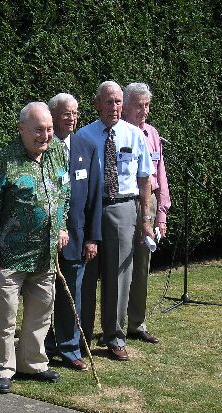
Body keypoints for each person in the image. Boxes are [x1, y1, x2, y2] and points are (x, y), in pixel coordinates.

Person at [0, 102, 70, 394]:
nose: (45, 136)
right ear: (22, 130)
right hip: (9, 255)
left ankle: (33, 363)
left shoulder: (56, 153)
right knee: (4, 317)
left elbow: (63, 191)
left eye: (50, 129)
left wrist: (62, 225)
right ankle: (0, 369)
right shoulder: (4, 161)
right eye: (39, 130)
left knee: (41, 312)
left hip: (45, 253)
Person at [76, 81, 154, 361]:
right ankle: (82, 336)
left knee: (120, 276)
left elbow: (145, 177)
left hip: (123, 209)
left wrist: (146, 217)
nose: (114, 107)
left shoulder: (134, 135)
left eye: (119, 102)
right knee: (86, 276)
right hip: (90, 210)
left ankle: (115, 336)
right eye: (108, 102)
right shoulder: (83, 136)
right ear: (97, 104)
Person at [44, 93, 102, 371]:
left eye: (75, 113)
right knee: (43, 294)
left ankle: (70, 346)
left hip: (77, 237)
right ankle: (43, 344)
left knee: (72, 294)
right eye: (66, 113)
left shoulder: (86, 147)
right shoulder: (41, 146)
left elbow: (94, 197)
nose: (72, 118)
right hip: (44, 237)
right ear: (54, 116)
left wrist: (92, 237)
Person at [123, 82, 171, 344]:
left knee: (142, 265)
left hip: (148, 201)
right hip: (124, 201)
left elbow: (160, 175)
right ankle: (114, 326)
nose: (144, 110)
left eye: (147, 105)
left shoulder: (152, 133)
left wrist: (161, 214)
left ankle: (136, 324)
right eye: (139, 105)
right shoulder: (118, 132)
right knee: (119, 265)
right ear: (127, 106)